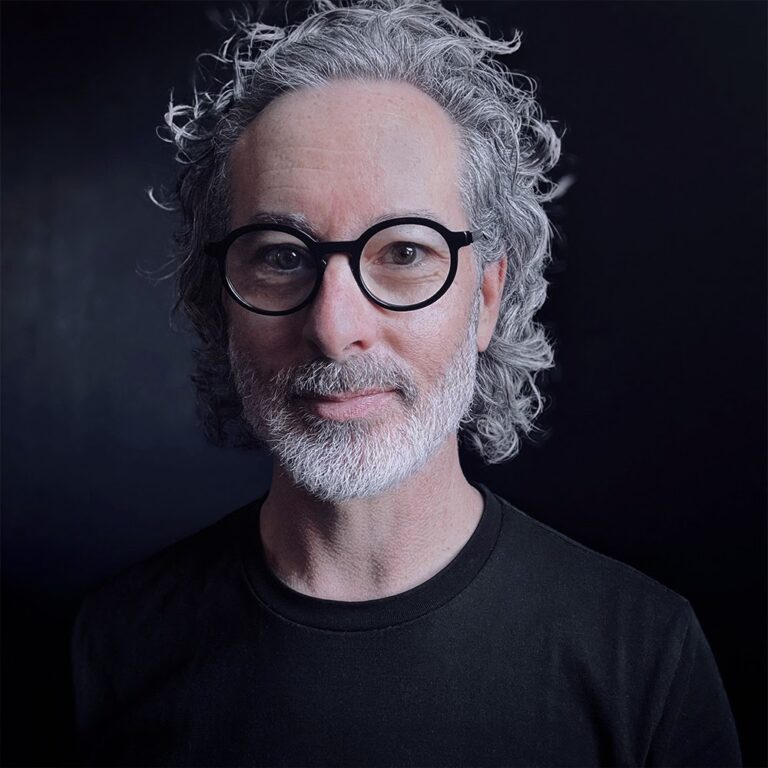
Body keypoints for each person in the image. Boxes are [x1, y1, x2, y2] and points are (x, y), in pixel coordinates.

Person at [70, 1, 742, 765]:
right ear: (220, 298)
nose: (334, 325)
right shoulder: (106, 652)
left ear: (485, 301)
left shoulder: (644, 659)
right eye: (281, 255)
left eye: (404, 252)